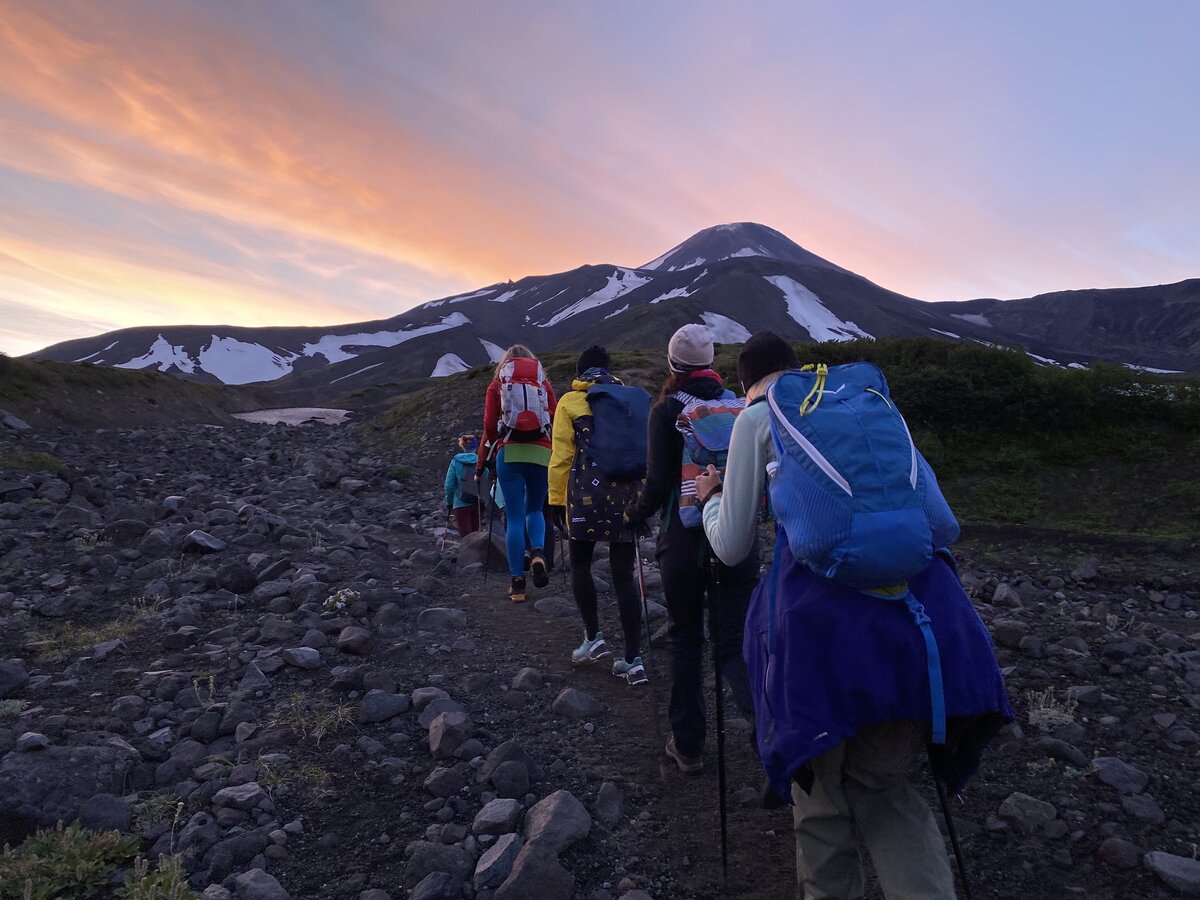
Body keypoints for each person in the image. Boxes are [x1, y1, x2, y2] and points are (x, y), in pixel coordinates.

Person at [694, 331, 1012, 899]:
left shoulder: (757, 419)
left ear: (746, 385)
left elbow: (732, 546)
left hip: (818, 638)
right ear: (797, 369)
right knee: (887, 790)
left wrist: (711, 498)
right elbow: (939, 525)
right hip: (911, 627)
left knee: (819, 797)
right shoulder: (864, 405)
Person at [624, 323, 759, 774]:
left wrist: (635, 514)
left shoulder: (667, 410)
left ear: (672, 364)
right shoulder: (744, 408)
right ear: (713, 364)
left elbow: (659, 482)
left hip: (683, 539)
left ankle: (688, 745)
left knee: (685, 638)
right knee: (735, 643)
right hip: (737, 537)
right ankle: (772, 743)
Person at [548, 345, 647, 684]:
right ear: (608, 369)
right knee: (624, 576)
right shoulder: (629, 399)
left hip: (584, 495)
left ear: (579, 372)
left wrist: (556, 500)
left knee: (580, 564)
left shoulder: (570, 402)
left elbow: (561, 456)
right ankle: (633, 659)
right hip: (626, 495)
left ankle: (593, 638)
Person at [477, 345, 558, 602]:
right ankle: (537, 552)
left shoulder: (497, 385)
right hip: (542, 452)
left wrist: (496, 444)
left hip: (509, 451)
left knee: (514, 517)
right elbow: (554, 416)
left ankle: (517, 583)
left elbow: (489, 424)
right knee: (535, 509)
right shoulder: (544, 384)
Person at [443, 433, 481, 536]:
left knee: (466, 536)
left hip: (460, 504)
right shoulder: (480, 461)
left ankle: (466, 551)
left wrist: (449, 502)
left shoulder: (455, 462)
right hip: (477, 503)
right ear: (475, 447)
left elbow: (449, 485)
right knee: (476, 535)